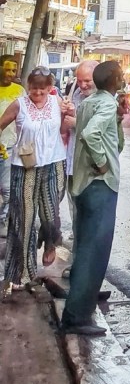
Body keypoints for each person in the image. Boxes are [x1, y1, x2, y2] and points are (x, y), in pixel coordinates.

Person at [61, 60, 124, 337]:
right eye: (120, 76)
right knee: (94, 251)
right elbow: (89, 134)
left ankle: (78, 308)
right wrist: (101, 163)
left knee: (85, 247)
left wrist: (117, 122)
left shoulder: (89, 103)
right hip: (101, 184)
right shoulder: (106, 103)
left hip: (84, 184)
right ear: (114, 80)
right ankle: (76, 317)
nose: (123, 79)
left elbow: (116, 143)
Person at [0, 67, 71, 297]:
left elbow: (63, 130)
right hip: (25, 167)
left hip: (54, 163)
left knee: (50, 212)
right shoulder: (19, 104)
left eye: (43, 89)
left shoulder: (56, 102)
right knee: (24, 219)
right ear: (28, 86)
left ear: (50, 87)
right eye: (34, 88)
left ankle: (50, 243)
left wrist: (68, 114)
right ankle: (22, 274)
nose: (38, 93)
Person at [61, 60, 99, 280]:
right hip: (71, 165)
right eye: (80, 80)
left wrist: (76, 120)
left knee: (90, 220)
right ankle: (77, 265)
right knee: (76, 219)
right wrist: (65, 115)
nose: (83, 85)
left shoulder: (104, 99)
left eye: (87, 81)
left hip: (92, 170)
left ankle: (88, 270)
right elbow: (64, 127)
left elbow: (100, 132)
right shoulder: (75, 94)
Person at [0, 55, 24, 238]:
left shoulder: (20, 91)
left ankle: (3, 221)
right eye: (7, 69)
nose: (10, 74)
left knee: (7, 190)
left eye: (13, 70)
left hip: (9, 148)